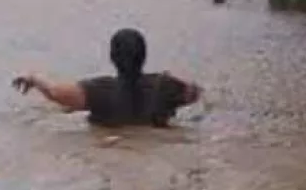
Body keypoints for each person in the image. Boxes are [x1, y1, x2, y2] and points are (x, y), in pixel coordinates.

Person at [11, 28, 203, 128]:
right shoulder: (165, 86)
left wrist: (34, 79)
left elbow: (54, 93)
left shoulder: (98, 90)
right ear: (144, 56)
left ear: (112, 57)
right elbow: (195, 94)